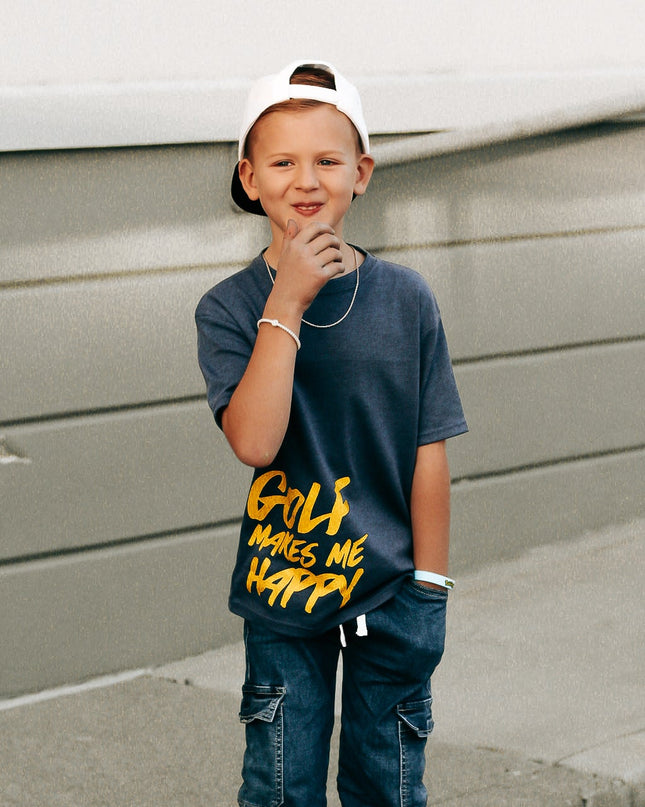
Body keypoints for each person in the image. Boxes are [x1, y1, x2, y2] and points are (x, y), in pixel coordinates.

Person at [195, 59, 468, 807]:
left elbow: (428, 447)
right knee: (280, 784)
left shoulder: (405, 298)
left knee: (389, 782)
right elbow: (254, 440)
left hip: (391, 591)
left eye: (327, 159)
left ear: (362, 172)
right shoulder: (227, 308)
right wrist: (286, 298)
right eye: (282, 161)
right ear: (250, 178)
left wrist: (430, 588)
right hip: (283, 594)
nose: (305, 179)